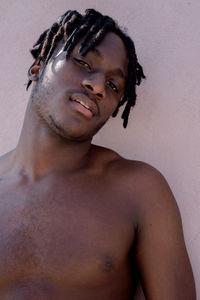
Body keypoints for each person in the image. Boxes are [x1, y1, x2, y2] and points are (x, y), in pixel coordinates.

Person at [0, 8, 196, 299]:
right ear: (38, 65)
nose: (98, 86)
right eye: (83, 61)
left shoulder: (138, 189)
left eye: (114, 85)